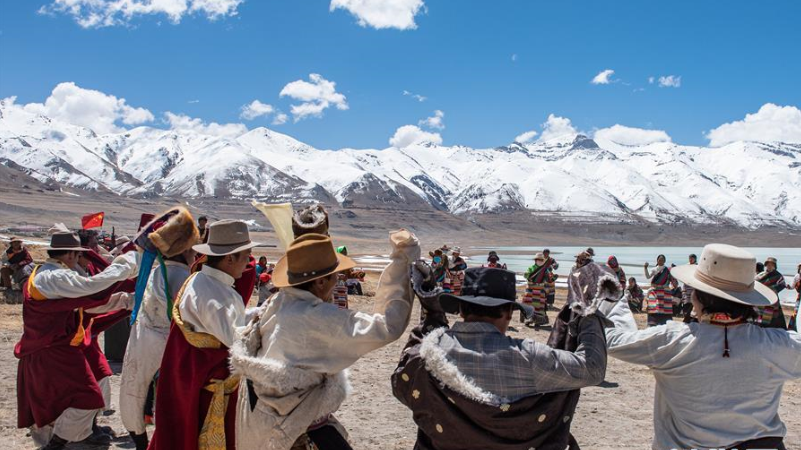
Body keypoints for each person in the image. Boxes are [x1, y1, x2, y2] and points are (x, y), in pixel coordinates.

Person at [231, 230, 421, 449]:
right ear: (320, 282)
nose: (337, 281)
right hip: (296, 430)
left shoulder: (278, 302)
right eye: (334, 276)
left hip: (262, 422)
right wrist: (404, 258)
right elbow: (386, 326)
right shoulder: (317, 318)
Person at [600, 243, 801, 450]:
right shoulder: (777, 345)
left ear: (698, 296)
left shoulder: (673, 341)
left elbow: (612, 340)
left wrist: (614, 300)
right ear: (749, 301)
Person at [392, 267, 607, 449]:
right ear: (510, 313)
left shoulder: (425, 355)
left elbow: (403, 388)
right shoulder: (529, 356)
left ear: (461, 310)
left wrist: (432, 315)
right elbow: (593, 369)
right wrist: (588, 308)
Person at [15, 231, 141, 450]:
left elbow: (86, 304)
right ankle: (55, 445)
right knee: (86, 398)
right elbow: (91, 290)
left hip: (49, 349)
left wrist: (126, 301)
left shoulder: (46, 274)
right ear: (71, 255)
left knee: (57, 401)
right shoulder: (56, 276)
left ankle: (60, 441)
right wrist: (128, 263)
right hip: (52, 351)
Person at [148, 220, 259, 450]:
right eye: (246, 256)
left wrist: (261, 313)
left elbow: (231, 324)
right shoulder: (213, 298)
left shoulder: (202, 281)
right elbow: (237, 341)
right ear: (229, 259)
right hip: (208, 394)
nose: (249, 262)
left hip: (195, 384)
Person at [120, 238, 196, 450]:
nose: (194, 255)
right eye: (192, 250)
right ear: (183, 250)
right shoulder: (184, 277)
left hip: (143, 337)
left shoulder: (155, 272)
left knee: (133, 389)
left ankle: (140, 440)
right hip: (169, 342)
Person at [643, 254, 677, 327]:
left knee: (665, 308)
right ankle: (652, 322)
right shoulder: (654, 269)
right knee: (653, 306)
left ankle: (665, 322)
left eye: (662, 260)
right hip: (655, 290)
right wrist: (645, 268)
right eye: (659, 259)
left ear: (664, 261)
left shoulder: (668, 270)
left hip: (665, 291)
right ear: (657, 260)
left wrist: (674, 271)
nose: (661, 261)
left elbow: (673, 280)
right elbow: (648, 276)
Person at [521, 252, 553, 327]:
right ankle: (528, 319)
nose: (540, 261)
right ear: (535, 260)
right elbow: (526, 276)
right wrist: (529, 276)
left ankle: (538, 321)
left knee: (540, 306)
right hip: (530, 289)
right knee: (528, 303)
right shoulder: (531, 268)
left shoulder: (545, 270)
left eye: (541, 260)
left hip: (540, 290)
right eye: (538, 260)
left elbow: (548, 279)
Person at [755, 257, 788, 328]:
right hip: (761, 299)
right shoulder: (760, 275)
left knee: (769, 317)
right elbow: (755, 285)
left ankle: (768, 329)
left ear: (774, 266)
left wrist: (771, 290)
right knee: (759, 317)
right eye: (768, 264)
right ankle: (760, 329)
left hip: (772, 300)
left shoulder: (778, 275)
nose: (769, 266)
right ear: (766, 265)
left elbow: (782, 285)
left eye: (771, 265)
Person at [679, 253, 698, 321]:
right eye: (690, 258)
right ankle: (685, 316)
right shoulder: (686, 266)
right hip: (686, 285)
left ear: (695, 259)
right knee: (686, 301)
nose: (690, 260)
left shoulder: (697, 266)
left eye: (692, 258)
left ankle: (691, 317)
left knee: (693, 302)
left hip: (694, 286)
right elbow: (683, 274)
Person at [790, 263, 801, 330]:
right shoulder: (797, 276)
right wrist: (788, 287)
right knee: (796, 312)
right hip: (799, 298)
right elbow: (792, 286)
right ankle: (794, 328)